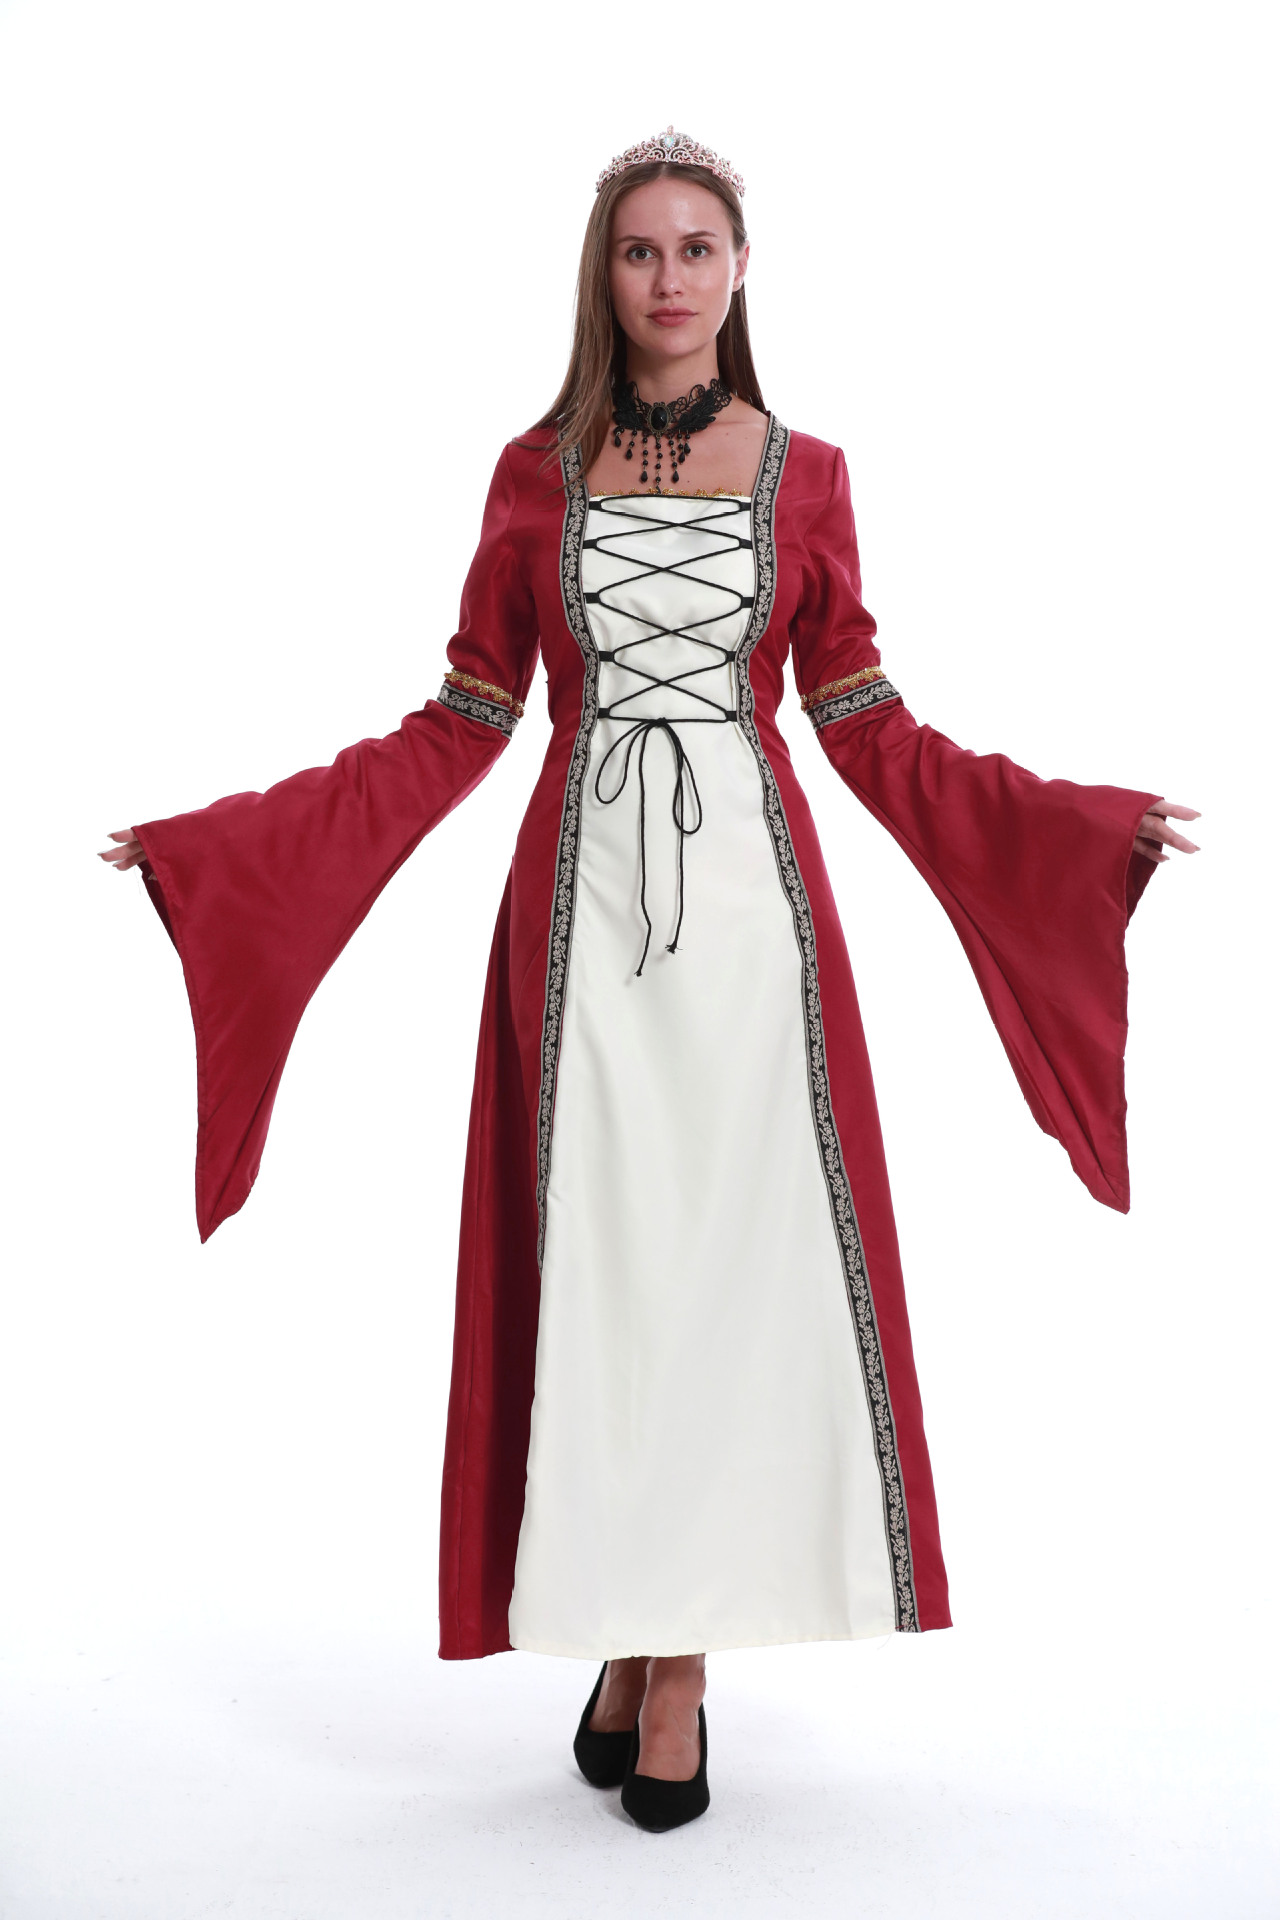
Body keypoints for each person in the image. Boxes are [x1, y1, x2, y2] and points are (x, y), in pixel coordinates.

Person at [101, 125, 1199, 1833]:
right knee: (610, 1284)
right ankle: (638, 1633)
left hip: (757, 926)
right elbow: (461, 717)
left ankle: (667, 1664)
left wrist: (1070, 825)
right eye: (640, 250)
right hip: (580, 923)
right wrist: (228, 849)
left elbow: (867, 721)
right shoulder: (535, 473)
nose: (670, 277)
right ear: (603, 276)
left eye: (697, 248)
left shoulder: (809, 473)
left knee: (727, 1287)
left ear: (741, 271)